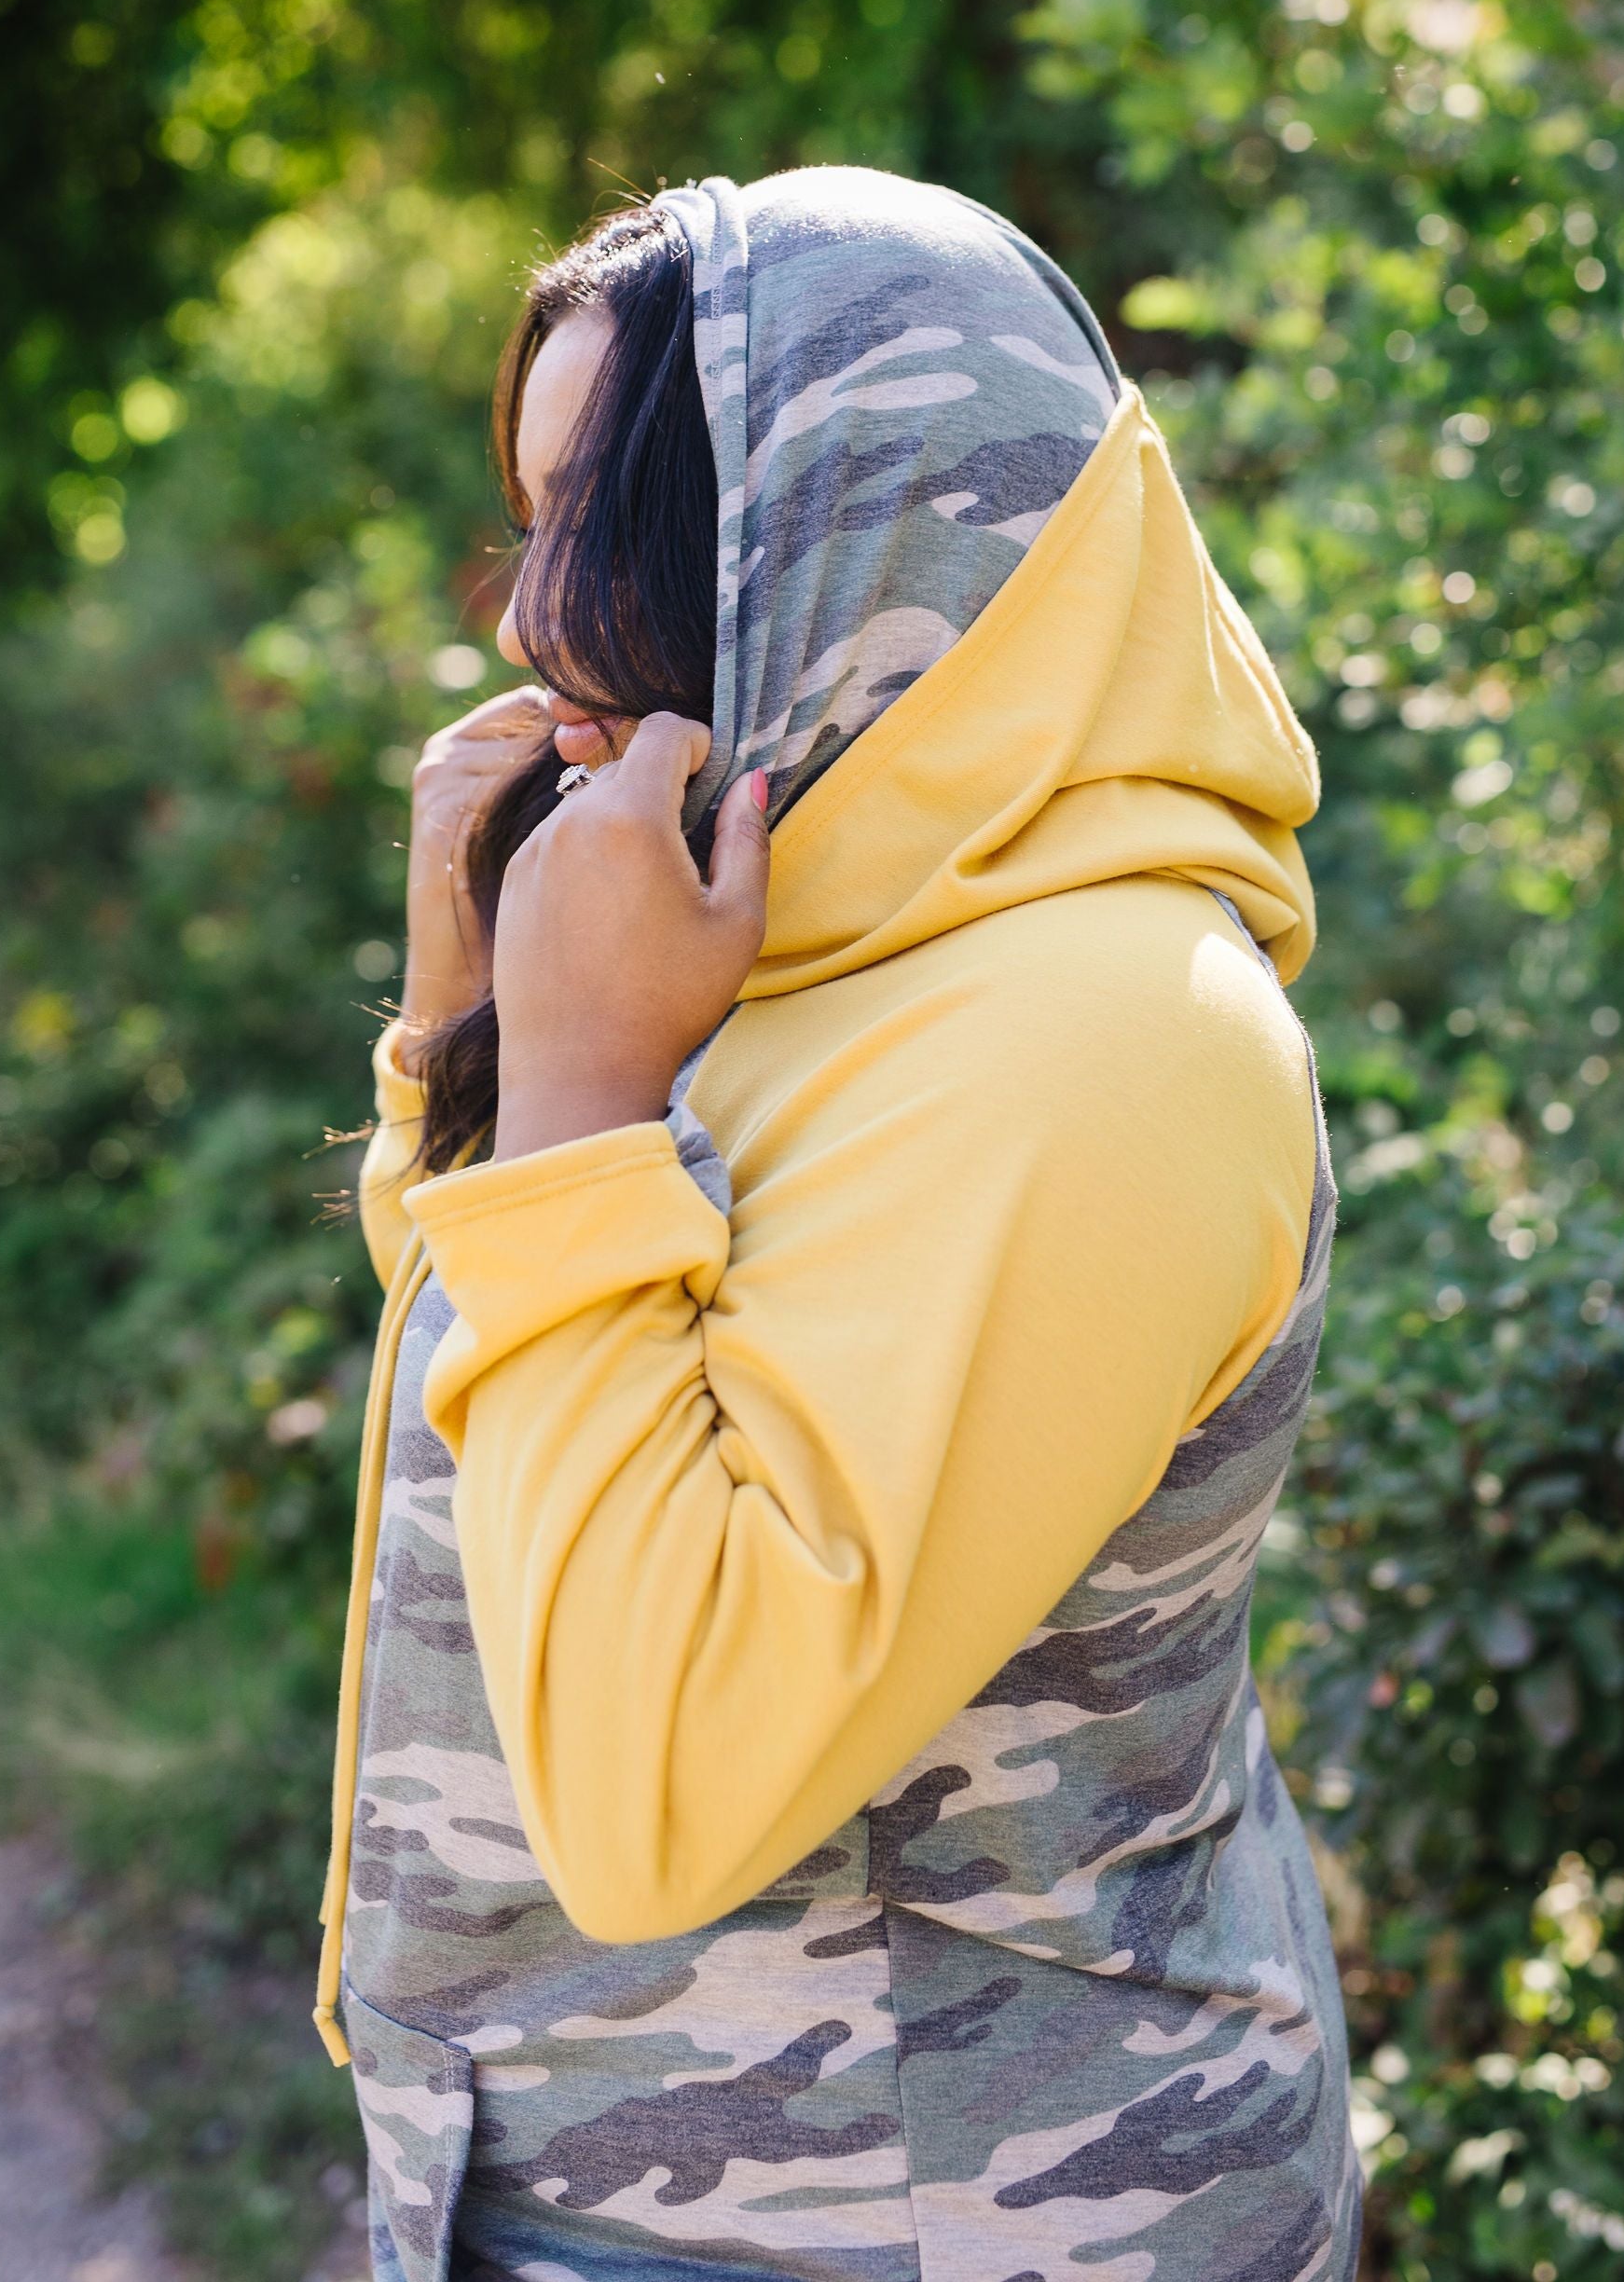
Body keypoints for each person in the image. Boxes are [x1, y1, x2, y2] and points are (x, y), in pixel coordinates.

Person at [316, 167, 1360, 2282]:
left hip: (928, 2215)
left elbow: (664, 1795)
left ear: (844, 524)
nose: (523, 625)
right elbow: (523, 1412)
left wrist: (590, 1092)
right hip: (643, 2171)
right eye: (520, 531)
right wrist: (482, 1039)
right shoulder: (797, 924)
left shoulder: (1103, 1039)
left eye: (591, 533)